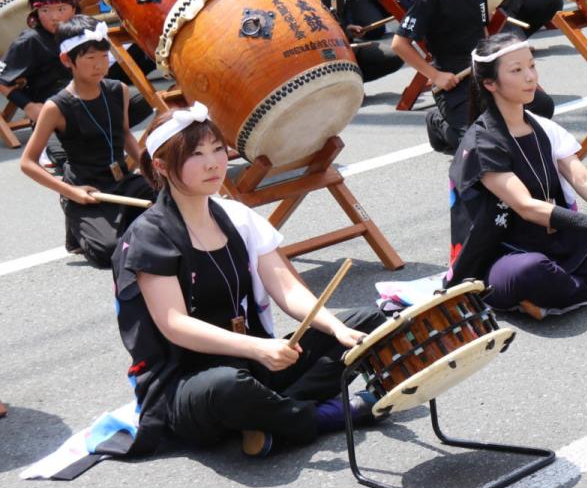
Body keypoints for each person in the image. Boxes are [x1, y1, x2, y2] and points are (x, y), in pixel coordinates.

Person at [112, 104, 386, 457]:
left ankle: (270, 416)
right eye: (196, 154)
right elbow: (175, 325)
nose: (213, 163)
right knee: (229, 386)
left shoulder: (235, 215)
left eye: (216, 149)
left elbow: (286, 288)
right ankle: (318, 416)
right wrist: (258, 348)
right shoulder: (150, 235)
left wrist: (334, 328)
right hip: (187, 382)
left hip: (254, 362)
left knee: (367, 322)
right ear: (162, 166)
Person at [446, 33, 587, 320]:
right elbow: (525, 206)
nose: (530, 77)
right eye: (517, 70)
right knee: (530, 272)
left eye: (531, 66)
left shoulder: (544, 126)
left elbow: (581, 178)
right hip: (505, 254)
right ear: (489, 83)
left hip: (559, 242)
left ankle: (559, 293)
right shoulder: (483, 143)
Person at [392, 0, 555, 154]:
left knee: (542, 106)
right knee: (476, 145)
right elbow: (399, 43)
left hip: (483, 72)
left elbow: (483, 32)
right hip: (454, 81)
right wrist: (435, 75)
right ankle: (438, 122)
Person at [18, 15, 155, 267]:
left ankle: (123, 222)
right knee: (109, 253)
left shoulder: (118, 90)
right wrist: (71, 191)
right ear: (67, 60)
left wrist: (151, 170)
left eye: (104, 56)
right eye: (90, 58)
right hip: (89, 190)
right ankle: (78, 220)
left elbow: (124, 135)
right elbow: (27, 163)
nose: (99, 65)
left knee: (177, 210)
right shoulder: (56, 107)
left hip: (124, 181)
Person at [0, 0, 151, 132]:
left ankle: (102, 135)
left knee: (142, 101)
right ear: (36, 13)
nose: (54, 17)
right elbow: (2, 79)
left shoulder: (85, 29)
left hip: (95, 92)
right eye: (45, 10)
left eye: (61, 9)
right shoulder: (30, 40)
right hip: (58, 105)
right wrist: (29, 106)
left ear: (74, 8)